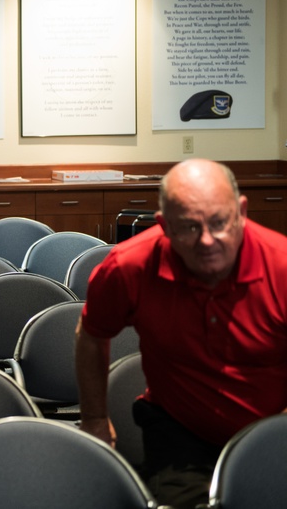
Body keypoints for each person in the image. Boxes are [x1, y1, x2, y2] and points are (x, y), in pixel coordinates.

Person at [75, 158, 287, 509]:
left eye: (219, 223)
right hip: (180, 431)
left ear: (242, 211)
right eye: (189, 227)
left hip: (273, 427)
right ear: (165, 225)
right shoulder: (128, 267)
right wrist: (95, 418)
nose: (207, 241)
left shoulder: (280, 265)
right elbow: (92, 334)